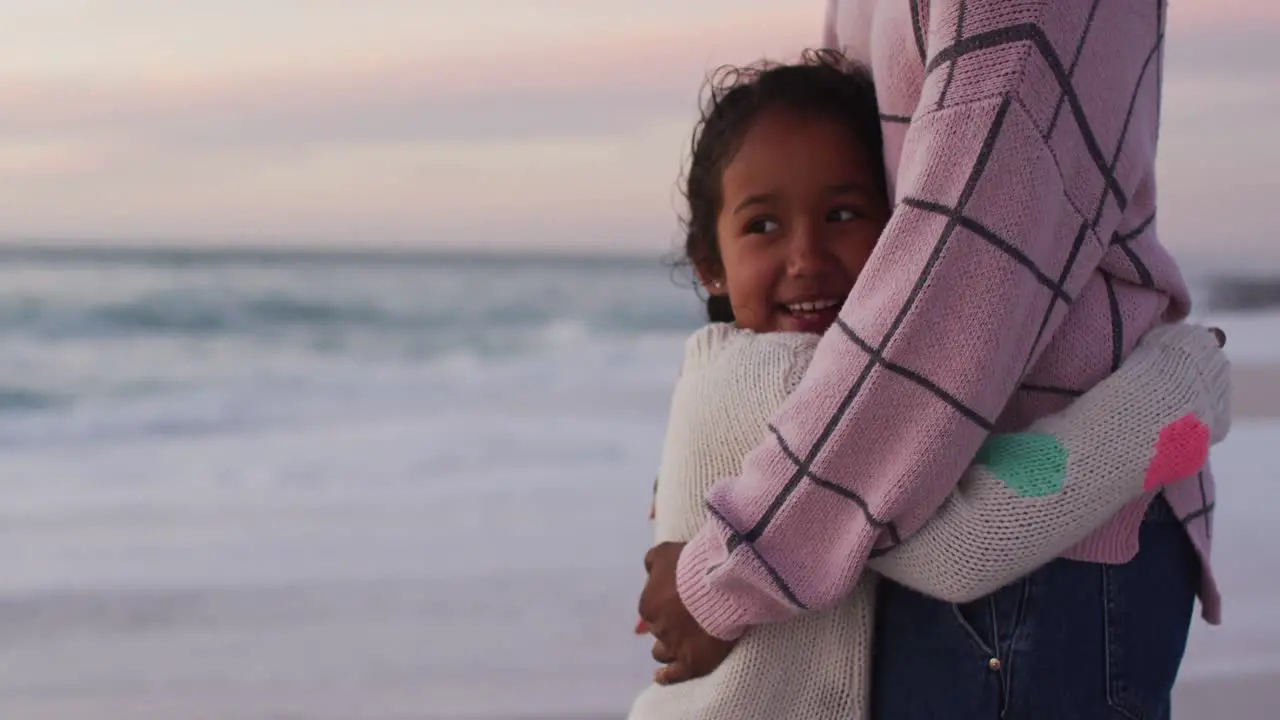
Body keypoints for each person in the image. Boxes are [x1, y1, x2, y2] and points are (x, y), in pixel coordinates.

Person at [638, 2, 1218, 717]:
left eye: (845, 213)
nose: (806, 258)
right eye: (763, 225)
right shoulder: (794, 386)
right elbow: (969, 540)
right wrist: (1179, 394)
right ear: (709, 264)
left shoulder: (712, 371)